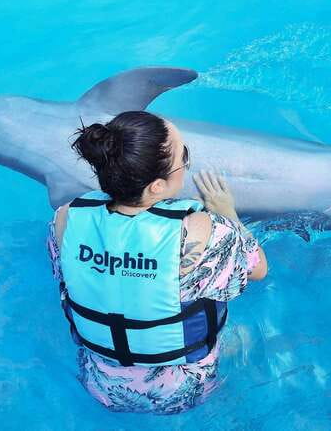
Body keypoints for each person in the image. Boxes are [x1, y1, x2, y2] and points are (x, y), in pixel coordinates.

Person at [46, 111, 268, 414]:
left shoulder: (65, 219)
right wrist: (227, 213)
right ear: (156, 187)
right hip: (184, 391)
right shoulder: (202, 232)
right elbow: (258, 269)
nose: (186, 164)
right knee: (245, 336)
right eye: (184, 156)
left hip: (101, 385)